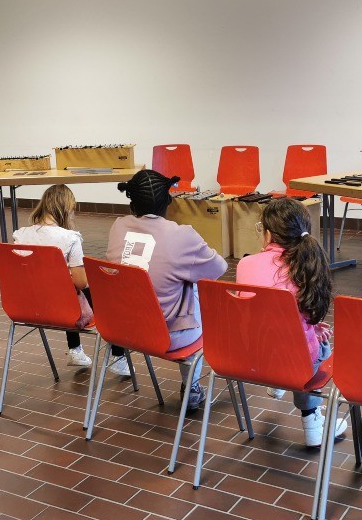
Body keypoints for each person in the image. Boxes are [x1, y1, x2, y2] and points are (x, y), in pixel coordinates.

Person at [106, 169, 228, 412]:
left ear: (132, 202)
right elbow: (219, 268)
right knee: (192, 284)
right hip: (167, 335)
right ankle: (191, 386)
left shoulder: (117, 227)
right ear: (168, 201)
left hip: (120, 329)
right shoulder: (182, 235)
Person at [235, 198, 348, 448]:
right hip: (294, 360)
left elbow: (257, 312)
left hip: (250, 356)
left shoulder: (244, 264)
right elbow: (310, 313)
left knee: (289, 340)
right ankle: (312, 423)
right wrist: (311, 328)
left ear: (267, 233)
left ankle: (277, 384)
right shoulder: (307, 267)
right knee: (318, 346)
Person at [12, 184, 122, 368]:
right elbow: (80, 283)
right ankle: (118, 356)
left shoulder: (20, 235)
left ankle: (76, 350)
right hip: (63, 309)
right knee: (99, 293)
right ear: (66, 209)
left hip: (26, 306)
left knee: (62, 285)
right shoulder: (70, 238)